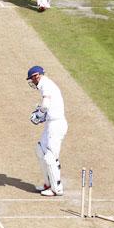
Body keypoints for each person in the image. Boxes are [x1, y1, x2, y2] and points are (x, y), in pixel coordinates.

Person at [27, 65, 68, 196]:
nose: (32, 82)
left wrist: (39, 114)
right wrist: (43, 115)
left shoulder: (46, 85)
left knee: (50, 157)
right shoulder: (46, 85)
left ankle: (57, 189)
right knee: (40, 150)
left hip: (56, 125)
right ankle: (47, 184)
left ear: (36, 76)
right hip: (51, 124)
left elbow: (45, 105)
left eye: (32, 79)